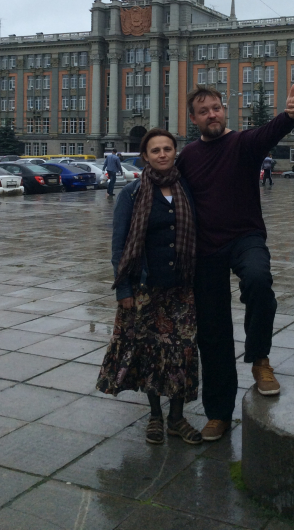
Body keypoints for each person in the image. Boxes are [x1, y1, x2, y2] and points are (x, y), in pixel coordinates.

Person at [177, 84, 294, 442]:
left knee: (259, 281)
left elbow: (269, 132)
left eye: (216, 108)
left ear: (224, 110)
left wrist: (289, 116)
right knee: (212, 333)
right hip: (206, 249)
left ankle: (260, 359)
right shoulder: (188, 157)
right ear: (193, 119)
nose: (212, 114)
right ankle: (218, 414)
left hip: (245, 238)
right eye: (204, 111)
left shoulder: (242, 144)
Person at [96, 128, 202, 446]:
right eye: (155, 150)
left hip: (181, 288)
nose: (162, 154)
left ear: (175, 152)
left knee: (182, 354)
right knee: (151, 354)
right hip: (145, 288)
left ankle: (177, 418)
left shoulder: (187, 188)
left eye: (167, 148)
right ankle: (155, 416)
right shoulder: (132, 194)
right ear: (145, 156)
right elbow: (119, 246)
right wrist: (123, 290)